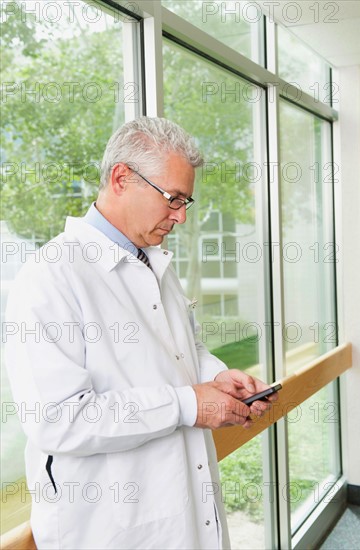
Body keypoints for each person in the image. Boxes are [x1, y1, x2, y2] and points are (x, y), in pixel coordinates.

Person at [5, 117, 276, 550]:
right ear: (121, 178)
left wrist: (217, 376)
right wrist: (189, 404)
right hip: (107, 528)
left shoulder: (153, 263)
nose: (182, 216)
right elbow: (58, 420)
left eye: (187, 201)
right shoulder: (51, 276)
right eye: (173, 199)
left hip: (182, 506)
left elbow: (181, 349)